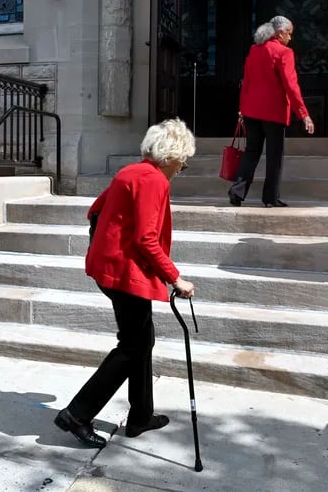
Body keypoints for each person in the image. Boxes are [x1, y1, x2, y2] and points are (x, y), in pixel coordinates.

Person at [54, 118, 197, 448]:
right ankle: (76, 415)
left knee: (141, 341)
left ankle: (141, 416)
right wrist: (175, 278)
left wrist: (105, 246)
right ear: (170, 155)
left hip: (112, 270)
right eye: (183, 160)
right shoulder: (154, 181)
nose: (182, 166)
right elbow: (147, 239)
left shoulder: (130, 172)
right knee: (132, 346)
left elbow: (94, 212)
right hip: (125, 274)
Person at [229, 15, 314, 208]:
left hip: (251, 110)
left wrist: (242, 108)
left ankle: (237, 191)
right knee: (274, 155)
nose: (291, 38)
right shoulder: (284, 52)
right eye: (289, 33)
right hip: (273, 112)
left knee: (251, 151)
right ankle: (270, 198)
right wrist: (303, 114)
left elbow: (246, 83)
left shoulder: (254, 50)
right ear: (280, 32)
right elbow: (291, 86)